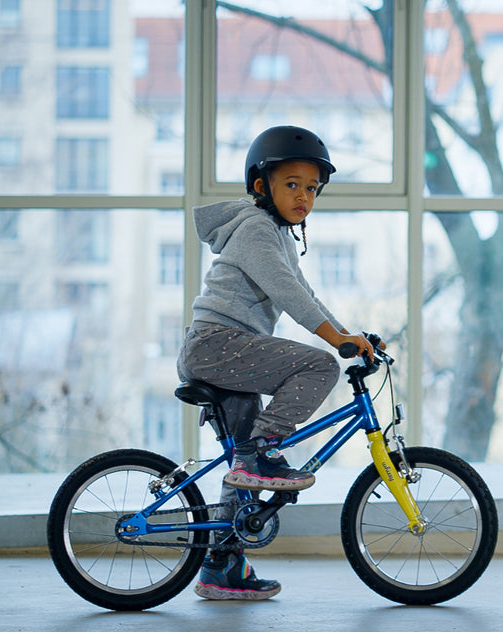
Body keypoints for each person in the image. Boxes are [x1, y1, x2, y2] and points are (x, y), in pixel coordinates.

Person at [176, 125, 375, 600]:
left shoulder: (280, 236)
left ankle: (220, 567)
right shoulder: (255, 228)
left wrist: (351, 334)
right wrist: (336, 344)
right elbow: (287, 294)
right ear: (261, 186)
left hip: (228, 349)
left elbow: (305, 294)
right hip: (215, 344)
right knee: (319, 366)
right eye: (292, 184)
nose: (304, 195)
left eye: (312, 187)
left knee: (240, 472)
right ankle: (263, 449)